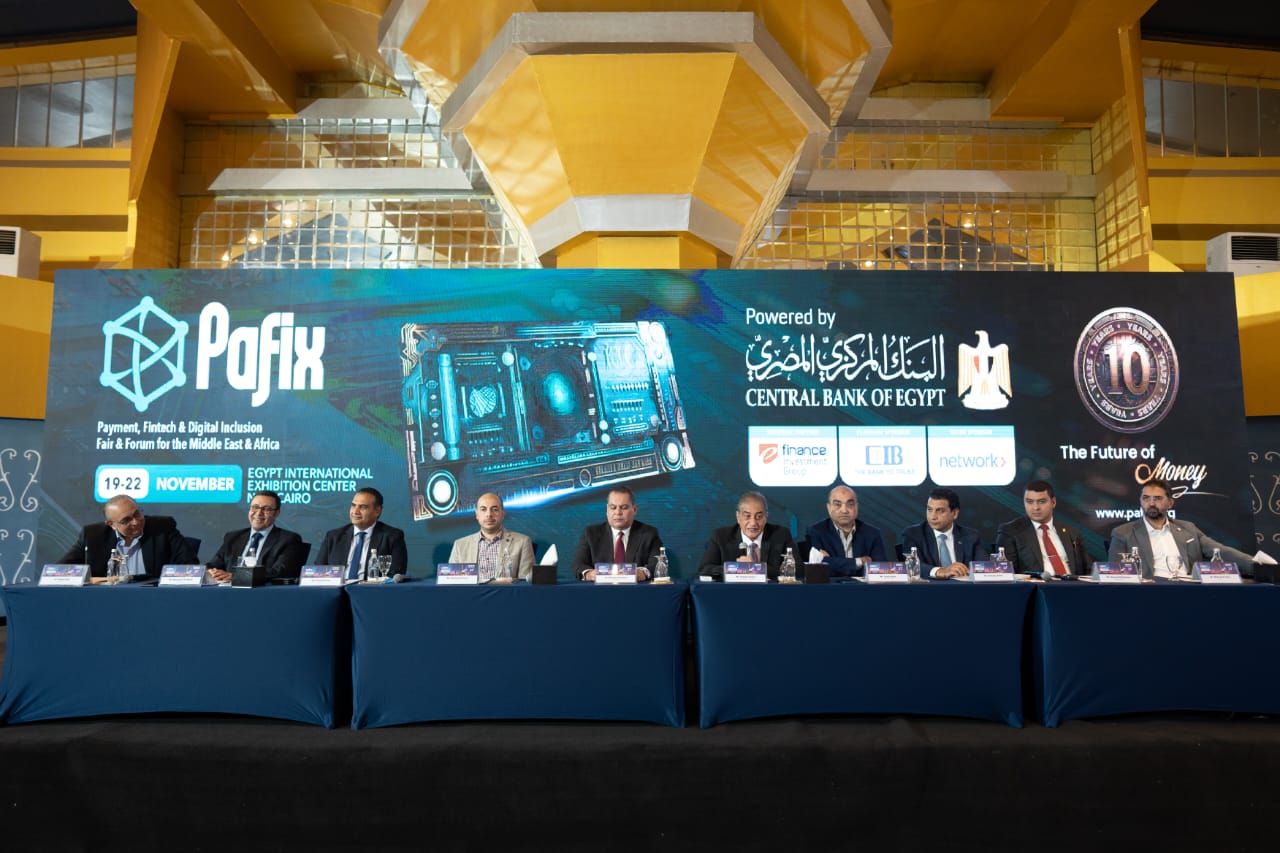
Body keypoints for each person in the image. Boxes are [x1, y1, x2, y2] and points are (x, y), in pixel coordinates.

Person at [1107, 477, 1254, 579]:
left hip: (1188, 590)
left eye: (1157, 498)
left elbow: (1220, 550)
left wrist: (1257, 565)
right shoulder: (1123, 533)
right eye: (1146, 498)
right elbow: (1115, 576)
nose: (1151, 503)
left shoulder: (1188, 528)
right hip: (1149, 593)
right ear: (1140, 501)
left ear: (1170, 503)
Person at [58, 494, 197, 580]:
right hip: (105, 599)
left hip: (153, 597)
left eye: (137, 514)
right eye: (126, 520)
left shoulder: (162, 527)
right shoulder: (92, 535)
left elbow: (189, 566)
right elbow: (61, 570)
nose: (136, 522)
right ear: (111, 524)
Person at [994, 480, 1091, 578]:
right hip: (1038, 586)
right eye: (1029, 502)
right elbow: (1006, 574)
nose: (1035, 507)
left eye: (1041, 502)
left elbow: (1088, 570)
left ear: (1053, 502)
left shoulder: (1072, 532)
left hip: (1073, 585)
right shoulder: (1010, 532)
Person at [206, 490, 306, 583]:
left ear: (276, 513)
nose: (259, 513)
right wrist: (211, 571)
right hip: (227, 591)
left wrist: (237, 577)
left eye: (266, 509)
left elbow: (279, 572)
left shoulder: (288, 539)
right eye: (255, 507)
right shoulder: (232, 537)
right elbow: (212, 565)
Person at [572, 486, 664, 581]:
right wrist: (590, 574)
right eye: (613, 507)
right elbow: (578, 565)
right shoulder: (590, 533)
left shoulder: (649, 534)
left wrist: (643, 573)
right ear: (607, 510)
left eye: (624, 507)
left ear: (635, 509)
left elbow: (658, 564)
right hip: (600, 588)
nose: (618, 512)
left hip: (636, 588)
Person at [699, 490, 797, 580]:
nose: (753, 523)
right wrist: (736, 568)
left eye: (759, 516)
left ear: (766, 517)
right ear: (738, 517)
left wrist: (758, 568)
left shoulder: (781, 535)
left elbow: (799, 569)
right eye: (747, 516)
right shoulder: (720, 536)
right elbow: (704, 570)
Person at [316, 486, 408, 579]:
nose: (355, 511)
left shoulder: (392, 537)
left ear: (377, 511)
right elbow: (318, 572)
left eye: (363, 507)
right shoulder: (333, 537)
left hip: (372, 588)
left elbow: (395, 574)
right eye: (353, 505)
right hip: (338, 587)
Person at [899, 487, 989, 579]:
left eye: (940, 511)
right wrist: (939, 571)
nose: (933, 517)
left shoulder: (970, 536)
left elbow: (985, 566)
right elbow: (912, 565)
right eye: (930, 510)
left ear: (954, 513)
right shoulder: (913, 534)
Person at [804, 484, 887, 578]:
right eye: (837, 504)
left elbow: (880, 569)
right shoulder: (816, 532)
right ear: (828, 507)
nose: (844, 510)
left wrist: (833, 562)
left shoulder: (872, 533)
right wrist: (860, 562)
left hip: (863, 586)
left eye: (850, 504)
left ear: (856, 507)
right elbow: (818, 568)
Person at [448, 492, 535, 581]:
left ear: (503, 513)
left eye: (495, 509)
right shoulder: (460, 546)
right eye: (483, 509)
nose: (489, 514)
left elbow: (526, 583)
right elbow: (453, 582)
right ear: (477, 514)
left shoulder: (522, 542)